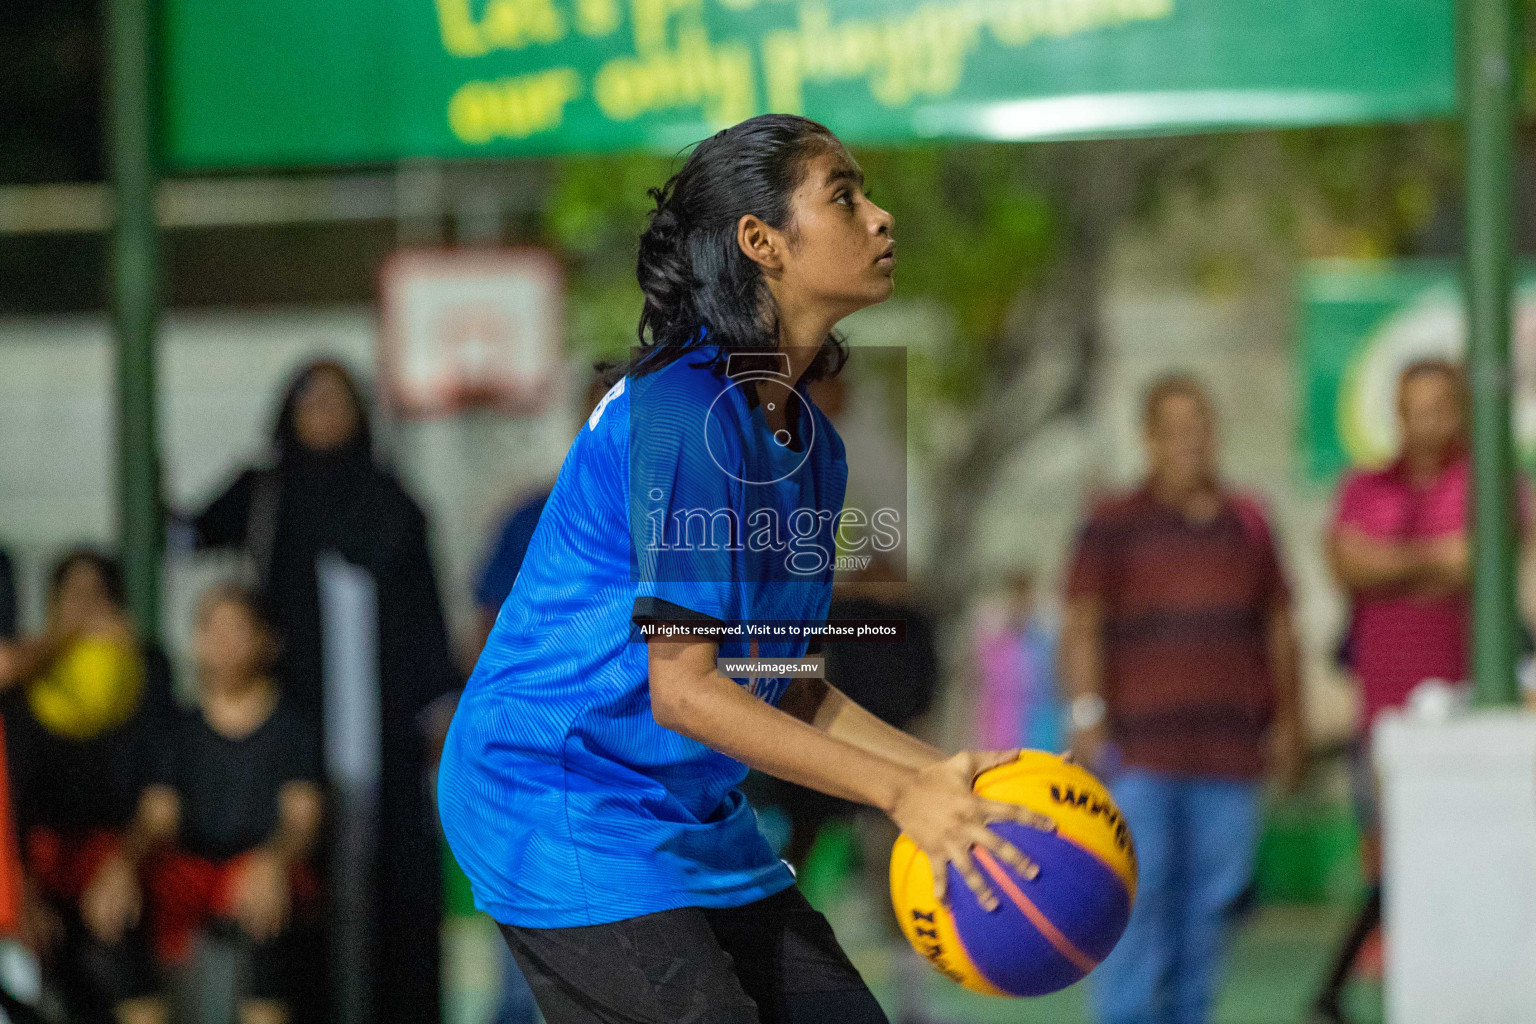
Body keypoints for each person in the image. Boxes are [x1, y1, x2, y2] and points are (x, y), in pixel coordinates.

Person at [438, 114, 1051, 1024]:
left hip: (683, 809)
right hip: (557, 793)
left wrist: (947, 773)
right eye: (845, 197)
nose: (881, 218)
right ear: (760, 242)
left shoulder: (814, 449)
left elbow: (779, 681)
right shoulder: (685, 412)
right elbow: (684, 693)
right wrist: (895, 791)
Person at [185, 360, 459, 1024]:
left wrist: (442, 718)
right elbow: (186, 534)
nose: (323, 415)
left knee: (390, 890)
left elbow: (427, 629)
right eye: (309, 401)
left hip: (383, 741)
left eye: (338, 401)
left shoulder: (395, 503)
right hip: (292, 734)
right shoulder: (266, 494)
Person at [1061, 374, 1305, 1024]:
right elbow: (1082, 623)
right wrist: (1086, 714)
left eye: (1198, 425)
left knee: (1212, 906)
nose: (1188, 441)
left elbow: (1280, 627)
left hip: (1231, 754)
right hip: (1141, 753)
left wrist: (1290, 723)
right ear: (1149, 437)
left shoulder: (1249, 520)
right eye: (1173, 428)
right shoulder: (1111, 522)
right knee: (1136, 901)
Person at [1312, 359, 1478, 1023]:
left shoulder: (1486, 479)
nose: (1428, 420)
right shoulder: (1364, 486)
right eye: (1416, 406)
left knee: (1454, 861)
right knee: (1392, 857)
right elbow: (1346, 561)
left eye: (1441, 405)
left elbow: (1477, 556)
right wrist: (1433, 560)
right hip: (1382, 715)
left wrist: (1389, 565)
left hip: (1466, 715)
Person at [88, 585, 323, 1024]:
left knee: (269, 906)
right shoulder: (176, 730)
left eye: (236, 628)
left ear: (266, 640)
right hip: (194, 870)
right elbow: (157, 817)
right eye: (210, 628)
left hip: (260, 867)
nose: (221, 642)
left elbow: (302, 820)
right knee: (116, 901)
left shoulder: (293, 729)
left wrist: (271, 862)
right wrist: (121, 864)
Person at [0, 550, 174, 1024]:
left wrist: (124, 866)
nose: (85, 609)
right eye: (72, 596)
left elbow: (162, 799)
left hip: (116, 855)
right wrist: (23, 892)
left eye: (97, 596)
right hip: (33, 865)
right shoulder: (26, 674)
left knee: (121, 940)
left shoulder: (147, 669)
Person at [973, 571, 1061, 755]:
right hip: (1001, 718)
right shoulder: (994, 638)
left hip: (1039, 717)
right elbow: (982, 679)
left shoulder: (1045, 637)